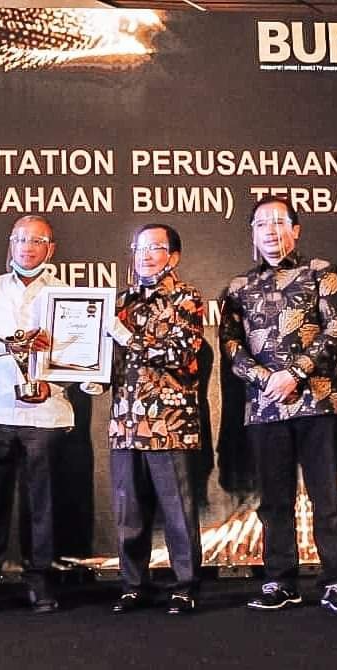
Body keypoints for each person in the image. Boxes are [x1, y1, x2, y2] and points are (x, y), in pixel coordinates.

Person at [219, 197, 337, 614]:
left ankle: (335, 581)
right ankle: (280, 580)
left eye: (279, 222)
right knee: (274, 502)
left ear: (295, 230)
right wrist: (266, 379)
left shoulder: (321, 272)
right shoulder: (238, 288)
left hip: (318, 402)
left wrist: (295, 373)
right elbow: (231, 345)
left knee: (327, 498)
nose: (270, 230)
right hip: (265, 408)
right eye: (261, 223)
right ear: (252, 232)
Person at [0, 215, 71, 615]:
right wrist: (8, 344)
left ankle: (40, 582)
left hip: (47, 411)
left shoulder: (65, 294)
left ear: (50, 249)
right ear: (11, 243)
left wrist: (56, 382)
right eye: (20, 238)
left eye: (36, 240)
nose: (27, 246)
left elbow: (79, 352)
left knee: (41, 501)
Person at [105, 223, 203, 615]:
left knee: (177, 510)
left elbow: (180, 354)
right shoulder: (120, 302)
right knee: (128, 510)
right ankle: (133, 585)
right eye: (139, 248)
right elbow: (108, 357)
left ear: (173, 257)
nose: (145, 255)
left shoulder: (186, 298)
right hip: (125, 422)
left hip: (168, 422)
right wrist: (93, 373)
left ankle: (186, 585)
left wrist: (127, 338)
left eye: (155, 248)